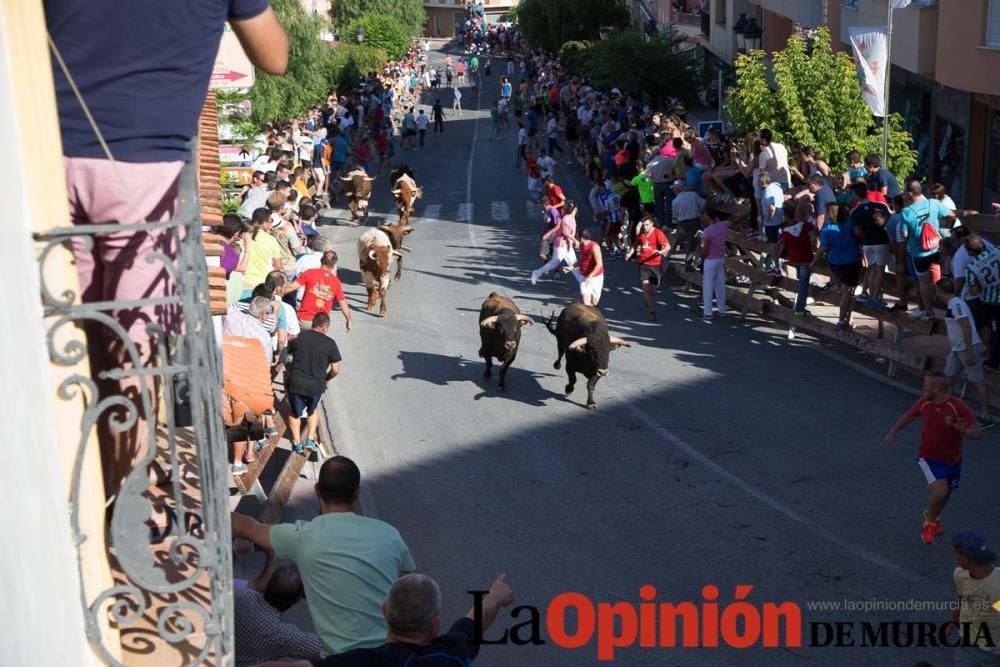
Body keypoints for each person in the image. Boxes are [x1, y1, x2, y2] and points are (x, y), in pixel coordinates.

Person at [231, 456, 416, 654]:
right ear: (357, 493)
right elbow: (409, 596)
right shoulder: (390, 534)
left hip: (341, 660)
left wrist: (197, 514)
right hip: (390, 656)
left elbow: (243, 525)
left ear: (317, 490)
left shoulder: (302, 536)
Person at [253, 573, 515, 667]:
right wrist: (496, 595)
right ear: (434, 624)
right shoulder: (452, 654)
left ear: (384, 611)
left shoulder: (361, 661)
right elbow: (473, 621)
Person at [881, 373, 983, 545]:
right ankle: (929, 522)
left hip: (953, 459)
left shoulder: (958, 406)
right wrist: (893, 431)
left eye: (926, 385)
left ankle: (935, 519)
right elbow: (909, 415)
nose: (923, 388)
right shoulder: (924, 402)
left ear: (936, 389)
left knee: (946, 493)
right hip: (929, 457)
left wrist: (964, 430)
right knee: (940, 491)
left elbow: (978, 433)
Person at [234, 564, 322, 667]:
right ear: (297, 600)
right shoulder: (280, 634)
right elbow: (321, 648)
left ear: (268, 583)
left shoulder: (243, 595)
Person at [937, 278, 993, 429]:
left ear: (940, 291)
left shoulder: (956, 304)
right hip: (957, 349)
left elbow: (966, 327)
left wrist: (969, 352)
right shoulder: (953, 304)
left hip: (967, 348)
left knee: (977, 381)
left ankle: (986, 416)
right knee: (949, 377)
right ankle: (950, 409)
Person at [283, 312, 342, 454]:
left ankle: (297, 442)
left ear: (313, 323)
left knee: (294, 412)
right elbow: (335, 369)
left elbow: (286, 355)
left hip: (296, 382)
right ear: (325, 328)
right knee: (313, 409)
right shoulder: (330, 343)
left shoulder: (299, 337)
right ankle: (309, 439)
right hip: (316, 385)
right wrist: (326, 378)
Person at [945, 530, 1000, 667]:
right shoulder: (960, 575)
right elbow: (962, 599)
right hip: (968, 643)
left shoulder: (998, 583)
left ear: (966, 557)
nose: (954, 557)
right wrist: (953, 622)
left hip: (993, 651)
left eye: (955, 553)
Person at [899, 181, 944, 320]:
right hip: (936, 247)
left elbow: (904, 235)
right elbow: (949, 214)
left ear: (909, 194)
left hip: (920, 253)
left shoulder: (906, 212)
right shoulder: (933, 203)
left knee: (923, 283)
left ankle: (929, 312)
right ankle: (946, 307)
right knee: (936, 279)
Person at [813, 202, 860, 330]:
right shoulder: (849, 226)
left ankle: (847, 318)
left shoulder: (827, 229)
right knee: (847, 293)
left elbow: (822, 248)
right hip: (851, 262)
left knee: (842, 291)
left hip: (834, 263)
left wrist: (813, 261)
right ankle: (842, 320)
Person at [848, 182, 891, 307]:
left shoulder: (854, 212)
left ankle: (869, 296)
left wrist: (866, 235)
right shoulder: (881, 205)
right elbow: (889, 220)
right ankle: (875, 298)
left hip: (867, 243)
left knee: (872, 269)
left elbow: (857, 231)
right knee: (880, 270)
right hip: (882, 241)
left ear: (855, 194)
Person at [288, 250, 352, 332]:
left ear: (321, 260)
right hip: (321, 325)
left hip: (304, 320)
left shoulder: (310, 273)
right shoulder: (336, 282)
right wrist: (348, 319)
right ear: (333, 266)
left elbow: (292, 287)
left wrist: (278, 293)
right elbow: (342, 303)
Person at [625, 216, 671, 321]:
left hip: (655, 265)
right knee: (646, 288)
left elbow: (667, 247)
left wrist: (659, 252)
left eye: (647, 225)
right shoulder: (641, 234)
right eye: (643, 225)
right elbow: (635, 245)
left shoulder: (658, 233)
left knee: (653, 291)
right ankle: (651, 311)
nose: (645, 227)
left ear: (652, 224)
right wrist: (630, 253)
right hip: (643, 264)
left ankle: (648, 298)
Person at [776, 204, 815, 316]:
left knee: (801, 281)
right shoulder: (805, 225)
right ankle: (799, 308)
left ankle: (799, 305)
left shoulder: (786, 231)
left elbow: (786, 247)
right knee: (803, 284)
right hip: (806, 257)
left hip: (794, 258)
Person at [530, 201, 579, 285]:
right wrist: (575, 240)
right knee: (554, 263)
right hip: (561, 245)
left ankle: (583, 283)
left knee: (574, 264)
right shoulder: (566, 218)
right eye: (575, 208)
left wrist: (573, 241)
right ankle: (536, 273)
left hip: (567, 245)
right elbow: (565, 233)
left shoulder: (571, 218)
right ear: (574, 209)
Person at [699, 208, 730, 319]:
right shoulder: (723, 225)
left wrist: (702, 258)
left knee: (708, 286)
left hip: (710, 260)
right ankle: (722, 310)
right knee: (720, 285)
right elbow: (733, 221)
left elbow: (705, 249)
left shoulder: (707, 231)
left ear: (707, 217)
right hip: (720, 258)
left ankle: (708, 312)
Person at [565, 228, 605, 306]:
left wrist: (590, 276)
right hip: (584, 276)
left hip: (596, 277)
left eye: (577, 237)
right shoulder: (581, 246)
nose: (576, 238)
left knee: (594, 302)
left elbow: (599, 264)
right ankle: (586, 312)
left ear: (581, 238)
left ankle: (579, 303)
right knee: (587, 302)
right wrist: (571, 267)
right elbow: (582, 260)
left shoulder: (594, 246)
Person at [670, 180, 705, 267]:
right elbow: (703, 204)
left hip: (683, 223)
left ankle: (690, 261)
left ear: (677, 189)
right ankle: (690, 261)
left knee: (691, 240)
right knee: (693, 241)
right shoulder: (693, 195)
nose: (673, 191)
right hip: (694, 221)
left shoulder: (675, 201)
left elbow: (675, 216)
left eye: (674, 189)